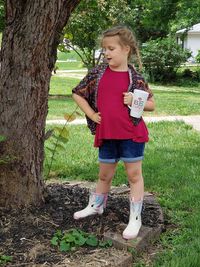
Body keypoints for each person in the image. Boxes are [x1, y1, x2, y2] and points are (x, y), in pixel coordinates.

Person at [71, 25, 155, 240]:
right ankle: (97, 205)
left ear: (126, 49)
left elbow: (152, 104)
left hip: (131, 134)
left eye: (111, 48)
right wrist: (91, 114)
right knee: (104, 174)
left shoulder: (135, 77)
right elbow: (78, 94)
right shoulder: (98, 74)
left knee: (134, 175)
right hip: (107, 133)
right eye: (104, 49)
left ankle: (135, 217)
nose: (106, 53)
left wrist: (134, 100)